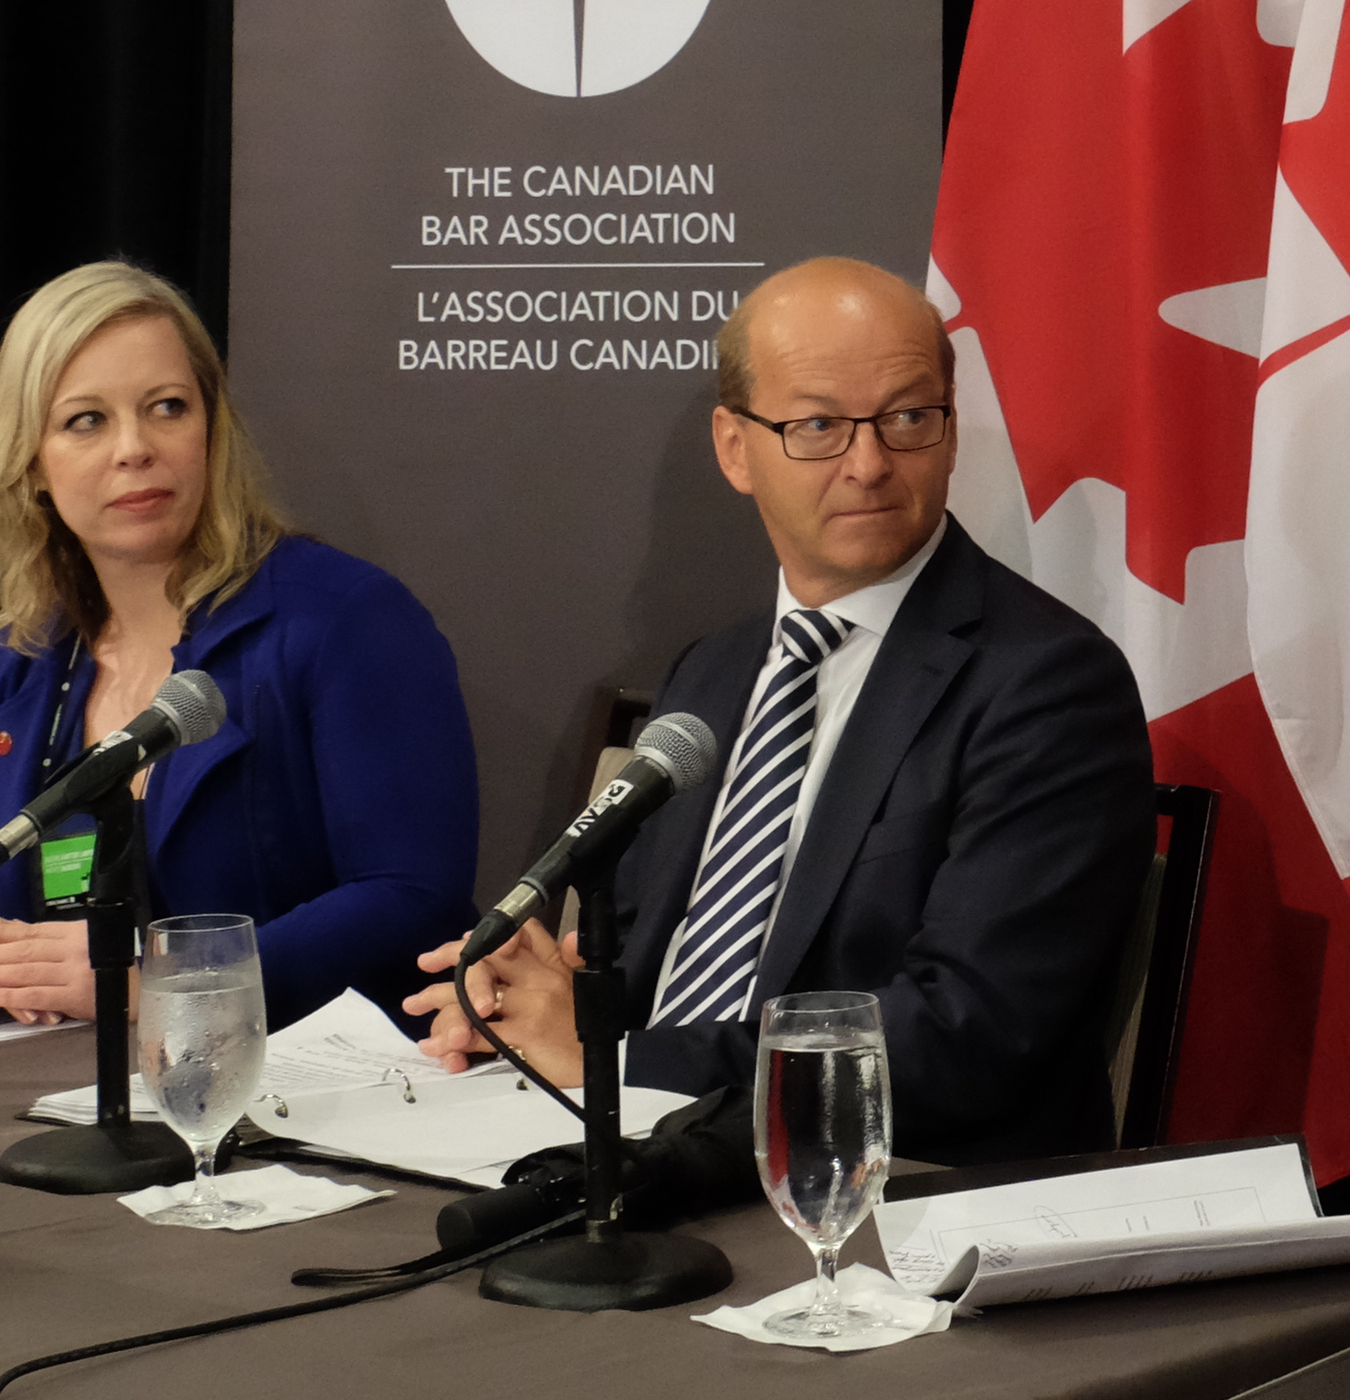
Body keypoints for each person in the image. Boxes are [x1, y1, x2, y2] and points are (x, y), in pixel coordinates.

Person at [410, 257, 1154, 1167]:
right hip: (650, 1155)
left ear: (953, 433)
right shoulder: (712, 675)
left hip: (888, 1190)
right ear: (734, 448)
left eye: (910, 418)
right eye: (819, 426)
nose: (871, 463)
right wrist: (523, 1009)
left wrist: (614, 1058)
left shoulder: (1049, 685)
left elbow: (970, 1034)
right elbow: (645, 957)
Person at [0, 262, 478, 1027]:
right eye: (85, 420)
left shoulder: (345, 621)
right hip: (74, 1083)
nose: (134, 448)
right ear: (31, 464)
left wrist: (158, 983)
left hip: (330, 1084)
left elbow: (412, 895)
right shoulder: (25, 661)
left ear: (211, 430)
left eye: (167, 407)